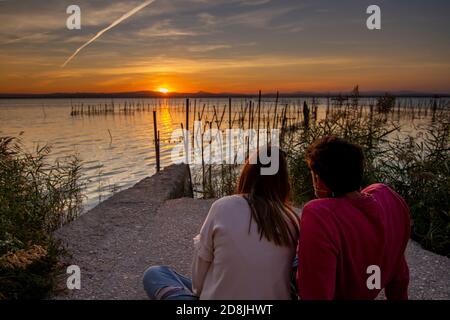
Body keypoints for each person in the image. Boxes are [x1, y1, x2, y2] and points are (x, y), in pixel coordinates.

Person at [143, 147, 299, 300]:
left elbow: (198, 283)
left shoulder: (224, 207)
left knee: (155, 273)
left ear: (248, 174)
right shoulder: (292, 220)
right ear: (284, 182)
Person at [297, 136, 411, 300]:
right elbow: (399, 271)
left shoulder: (320, 215)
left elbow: (315, 291)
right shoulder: (388, 198)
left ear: (319, 179)